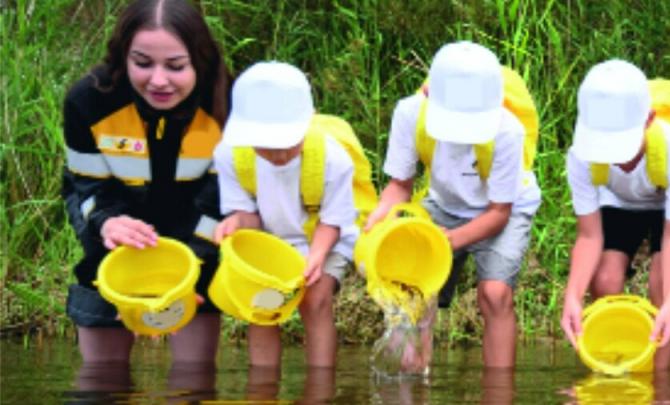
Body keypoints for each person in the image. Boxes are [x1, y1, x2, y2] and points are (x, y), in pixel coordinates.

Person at [62, 0, 230, 364]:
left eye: (175, 66)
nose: (158, 80)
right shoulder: (88, 101)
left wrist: (185, 273)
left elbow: (223, 203)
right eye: (142, 63)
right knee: (100, 385)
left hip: (196, 241)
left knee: (193, 382)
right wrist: (107, 223)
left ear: (199, 60)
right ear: (123, 57)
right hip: (118, 240)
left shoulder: (227, 103)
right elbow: (87, 191)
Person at [365, 41, 541, 369]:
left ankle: (499, 391)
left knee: (494, 294)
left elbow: (499, 213)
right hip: (444, 204)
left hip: (504, 209)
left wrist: (445, 243)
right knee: (415, 292)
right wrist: (379, 218)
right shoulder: (410, 112)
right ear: (430, 93)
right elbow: (399, 187)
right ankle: (414, 385)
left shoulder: (507, 130)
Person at [560, 59, 670, 370]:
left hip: (669, 202)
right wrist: (572, 295)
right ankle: (615, 359)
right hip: (620, 200)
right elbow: (588, 235)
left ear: (648, 120)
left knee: (662, 285)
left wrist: (669, 303)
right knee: (605, 278)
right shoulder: (582, 155)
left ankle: (659, 383)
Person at [213, 61, 357, 368]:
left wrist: (315, 257)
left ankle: (319, 390)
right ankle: (262, 391)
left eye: (288, 144)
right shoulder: (230, 153)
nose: (278, 156)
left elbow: (333, 222)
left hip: (324, 238)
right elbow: (248, 216)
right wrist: (235, 223)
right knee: (263, 306)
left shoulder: (334, 159)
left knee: (315, 299)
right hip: (269, 241)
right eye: (266, 146)